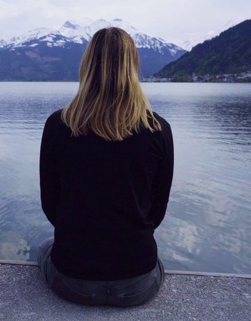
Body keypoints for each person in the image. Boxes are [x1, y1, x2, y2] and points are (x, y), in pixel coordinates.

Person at [37, 27, 174, 307]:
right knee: (153, 256)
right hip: (137, 285)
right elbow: (156, 212)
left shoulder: (57, 125)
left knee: (42, 247)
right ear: (133, 66)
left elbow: (51, 206)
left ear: (87, 65)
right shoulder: (158, 129)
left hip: (72, 281)